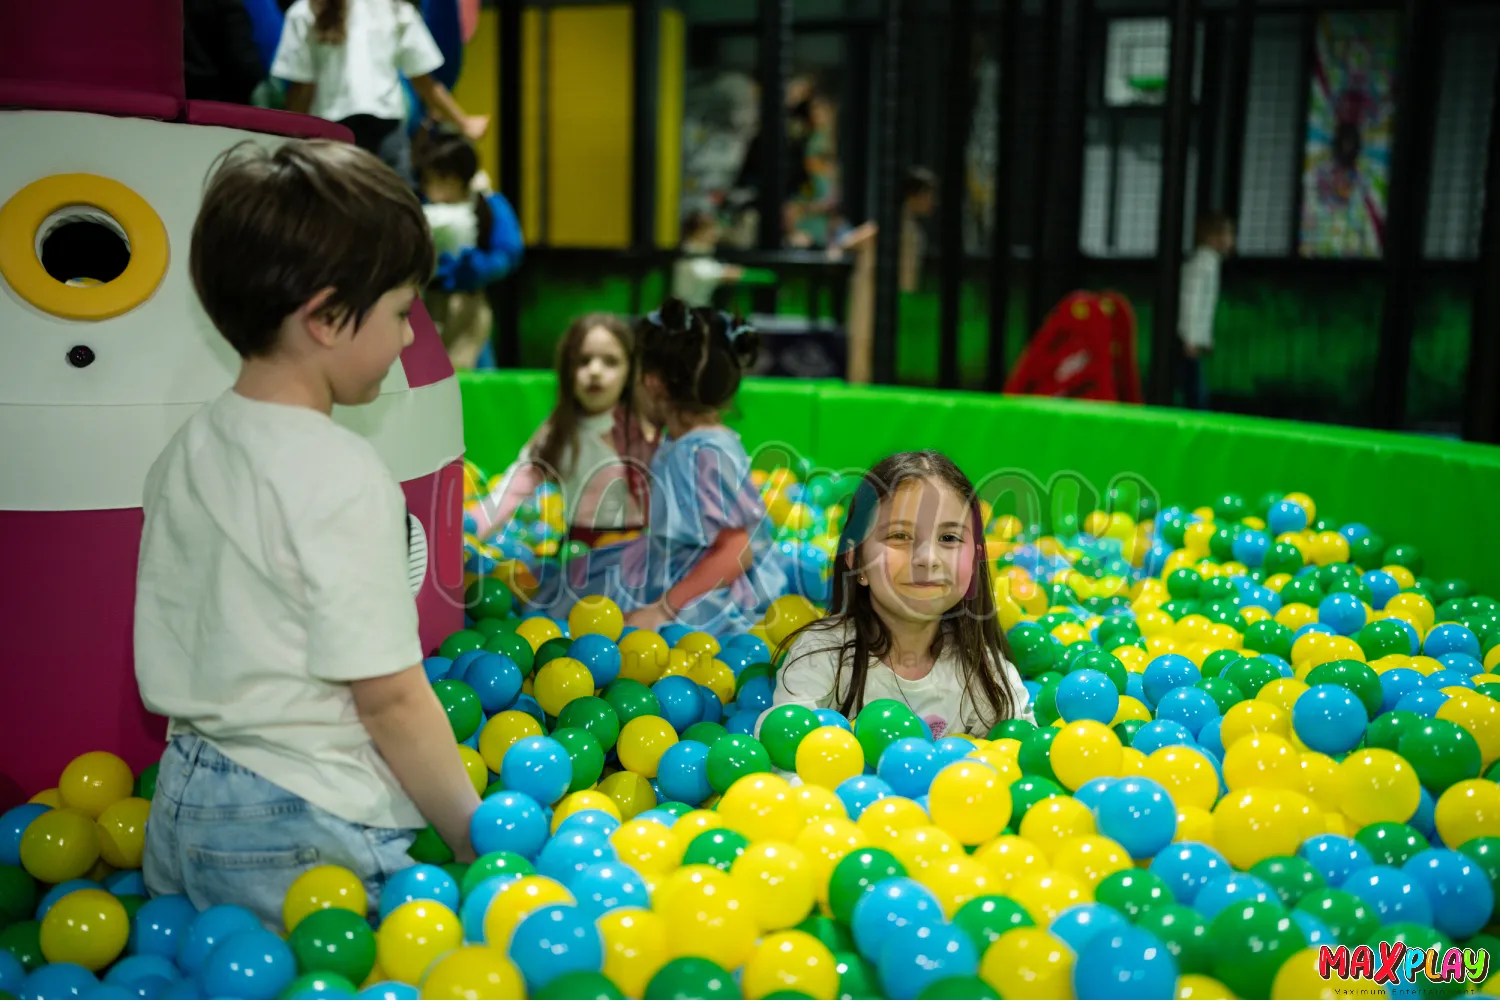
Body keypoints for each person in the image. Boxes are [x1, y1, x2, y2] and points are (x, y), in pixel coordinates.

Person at [134, 140, 480, 928]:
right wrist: (473, 836)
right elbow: (390, 696)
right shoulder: (340, 471)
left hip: (182, 801)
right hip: (302, 819)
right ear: (326, 316)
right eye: (399, 312)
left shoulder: (185, 447)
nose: (403, 339)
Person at [528, 300, 790, 635]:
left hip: (705, 587)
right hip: (669, 560)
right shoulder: (683, 441)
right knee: (577, 585)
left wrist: (662, 609)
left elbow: (737, 551)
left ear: (651, 382)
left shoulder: (702, 451)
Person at [761, 450, 1031, 738]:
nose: (928, 558)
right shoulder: (821, 656)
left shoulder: (987, 675)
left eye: (949, 538)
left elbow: (1020, 760)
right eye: (900, 536)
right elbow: (786, 753)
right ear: (857, 559)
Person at [468, 314, 657, 547]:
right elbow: (512, 490)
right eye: (583, 361)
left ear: (630, 372)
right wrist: (467, 530)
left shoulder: (644, 430)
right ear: (568, 370)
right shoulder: (559, 431)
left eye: (610, 362)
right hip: (577, 551)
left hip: (636, 548)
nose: (595, 371)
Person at [270, 0, 488, 185]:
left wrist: (288, 139)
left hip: (330, 136)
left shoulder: (304, 11)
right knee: (393, 214)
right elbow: (424, 81)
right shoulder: (394, 9)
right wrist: (464, 122)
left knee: (335, 217)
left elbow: (302, 88)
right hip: (387, 133)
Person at [415, 129, 524, 370]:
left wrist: (479, 266)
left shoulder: (488, 204)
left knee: (469, 369)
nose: (430, 187)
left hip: (469, 303)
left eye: (438, 179)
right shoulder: (421, 207)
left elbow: (510, 251)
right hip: (427, 301)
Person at [836, 166, 938, 383]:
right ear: (915, 195)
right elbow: (847, 242)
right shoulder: (889, 223)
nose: (932, 201)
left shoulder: (910, 226)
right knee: (863, 351)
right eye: (928, 195)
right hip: (869, 294)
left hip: (892, 299)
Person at [1178, 212, 1235, 410]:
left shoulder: (1209, 262)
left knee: (1194, 385)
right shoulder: (1203, 264)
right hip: (1188, 339)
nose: (1230, 240)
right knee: (1194, 389)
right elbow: (1192, 301)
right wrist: (1192, 339)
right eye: (1227, 234)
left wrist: (1205, 338)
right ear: (1213, 237)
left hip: (1192, 339)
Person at [672, 211, 744, 309]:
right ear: (697, 232)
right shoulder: (686, 251)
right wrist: (723, 273)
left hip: (700, 309)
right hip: (683, 311)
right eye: (710, 229)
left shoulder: (705, 250)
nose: (715, 233)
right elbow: (699, 271)